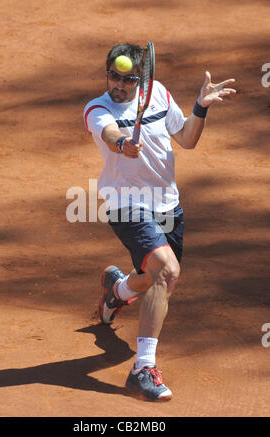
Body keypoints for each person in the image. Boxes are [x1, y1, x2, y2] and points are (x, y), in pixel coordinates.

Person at [83, 43, 236, 402]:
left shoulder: (159, 94)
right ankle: (142, 370)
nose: (118, 85)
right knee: (167, 269)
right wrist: (123, 145)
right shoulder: (97, 108)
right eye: (113, 76)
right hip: (126, 204)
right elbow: (109, 132)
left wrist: (201, 107)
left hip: (167, 204)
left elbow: (186, 139)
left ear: (142, 79)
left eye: (127, 79)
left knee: (155, 280)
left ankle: (117, 291)